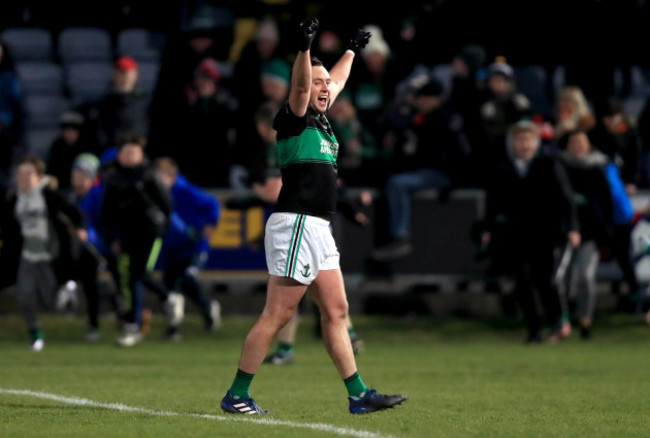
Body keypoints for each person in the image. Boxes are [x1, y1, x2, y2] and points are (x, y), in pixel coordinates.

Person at [221, 18, 406, 415]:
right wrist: (304, 50)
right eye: (317, 82)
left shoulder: (322, 118)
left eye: (327, 84)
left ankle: (359, 395)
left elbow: (335, 80)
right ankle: (237, 395)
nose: (325, 88)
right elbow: (304, 86)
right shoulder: (295, 116)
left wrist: (351, 51)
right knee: (279, 313)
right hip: (297, 222)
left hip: (317, 226)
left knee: (337, 310)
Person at [481, 120, 580, 343]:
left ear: (536, 142)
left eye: (528, 139)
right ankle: (533, 328)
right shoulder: (504, 168)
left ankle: (558, 322)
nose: (524, 144)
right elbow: (493, 202)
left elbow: (566, 199)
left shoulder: (549, 164)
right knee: (521, 281)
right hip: (517, 234)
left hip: (547, 233)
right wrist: (488, 228)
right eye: (520, 140)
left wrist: (572, 227)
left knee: (547, 280)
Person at [370, 77, 471, 262]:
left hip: (442, 174)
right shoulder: (419, 118)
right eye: (420, 97)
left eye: (425, 97)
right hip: (426, 172)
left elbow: (462, 152)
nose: (421, 101)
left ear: (435, 99)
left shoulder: (447, 118)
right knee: (394, 181)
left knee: (397, 184)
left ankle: (401, 237)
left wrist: (456, 181)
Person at [0, 154, 85, 350]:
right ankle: (35, 334)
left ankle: (68, 290)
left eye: (28, 174)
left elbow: (73, 213)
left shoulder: (48, 195)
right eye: (20, 174)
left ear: (38, 176)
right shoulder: (14, 199)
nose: (23, 178)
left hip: (50, 256)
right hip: (27, 256)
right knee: (24, 296)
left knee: (50, 302)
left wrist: (80, 228)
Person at [100, 133, 172, 347]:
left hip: (149, 232)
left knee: (136, 275)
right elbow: (107, 211)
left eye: (134, 152)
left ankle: (134, 323)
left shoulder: (150, 176)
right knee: (132, 278)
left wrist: (161, 228)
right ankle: (165, 299)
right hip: (125, 234)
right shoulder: (113, 177)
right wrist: (112, 236)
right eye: (126, 152)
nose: (130, 156)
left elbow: (167, 204)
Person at [152, 157, 222, 340]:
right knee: (170, 287)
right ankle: (182, 323)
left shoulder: (185, 191)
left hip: (193, 246)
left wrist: (210, 224)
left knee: (185, 279)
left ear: (171, 176)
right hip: (172, 248)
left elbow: (213, 204)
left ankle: (199, 315)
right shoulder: (157, 194)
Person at [556, 131, 614, 339]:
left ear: (588, 145)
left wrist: (605, 231)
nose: (578, 146)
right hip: (564, 231)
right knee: (562, 279)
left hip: (590, 233)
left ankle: (585, 319)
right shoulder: (560, 166)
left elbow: (607, 202)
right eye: (574, 143)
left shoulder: (596, 168)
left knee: (586, 277)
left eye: (582, 142)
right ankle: (563, 320)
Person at [46, 111, 98, 191]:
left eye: (72, 131)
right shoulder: (57, 147)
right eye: (66, 131)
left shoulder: (89, 146)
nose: (69, 134)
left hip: (87, 189)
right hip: (62, 189)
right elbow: (51, 171)